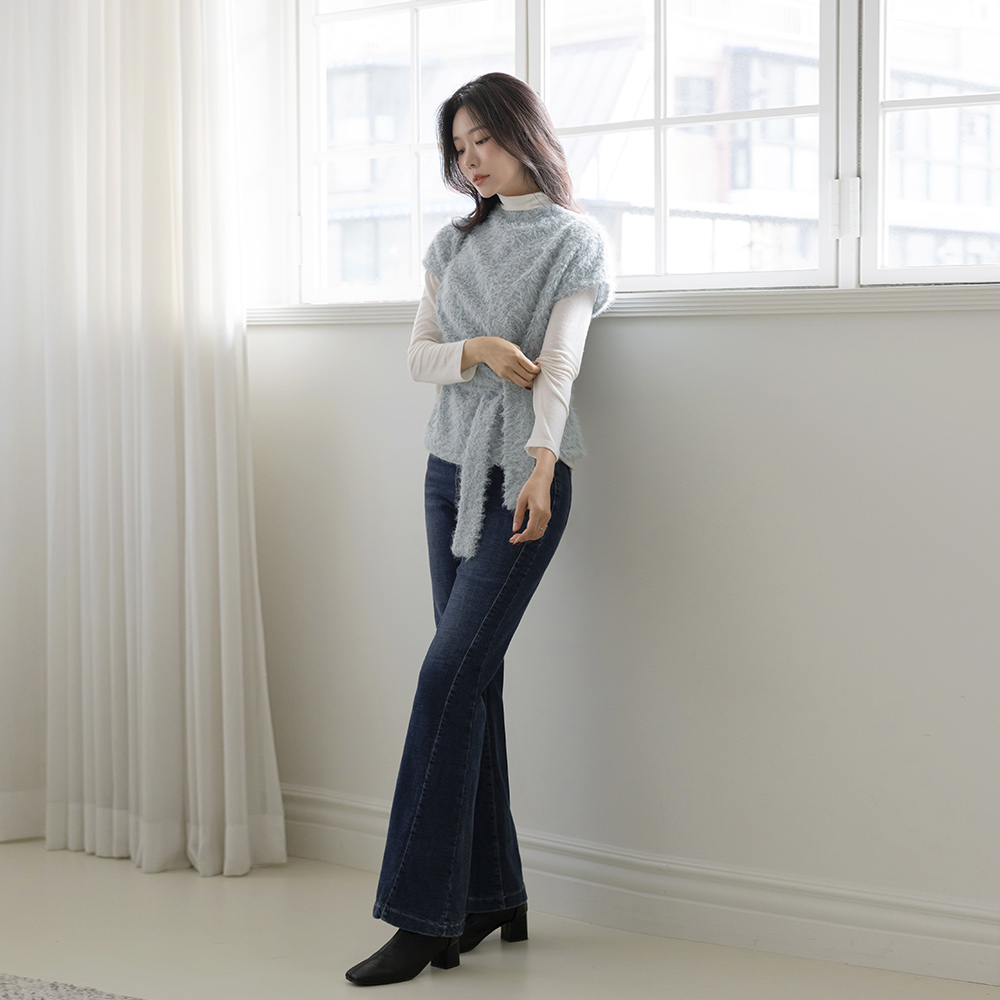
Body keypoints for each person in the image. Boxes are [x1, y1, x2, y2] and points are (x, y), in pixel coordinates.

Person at [345, 72, 613, 988]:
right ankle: (495, 893)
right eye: (458, 149)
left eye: (482, 141)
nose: (470, 161)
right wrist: (478, 352)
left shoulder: (575, 240)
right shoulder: (451, 244)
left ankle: (422, 917)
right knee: (470, 685)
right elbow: (419, 357)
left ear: (521, 134)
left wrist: (541, 462)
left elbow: (562, 362)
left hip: (523, 481)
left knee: (444, 679)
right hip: (447, 475)